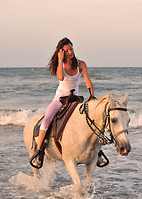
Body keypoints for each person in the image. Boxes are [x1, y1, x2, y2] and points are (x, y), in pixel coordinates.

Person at [30, 37, 95, 168]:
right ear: (61, 52)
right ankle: (39, 151)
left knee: (91, 118)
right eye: (66, 51)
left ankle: (97, 153)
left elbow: (87, 80)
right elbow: (60, 77)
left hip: (75, 99)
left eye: (71, 49)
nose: (70, 52)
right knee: (47, 119)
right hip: (60, 99)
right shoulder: (61, 64)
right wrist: (60, 59)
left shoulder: (81, 64)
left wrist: (92, 95)